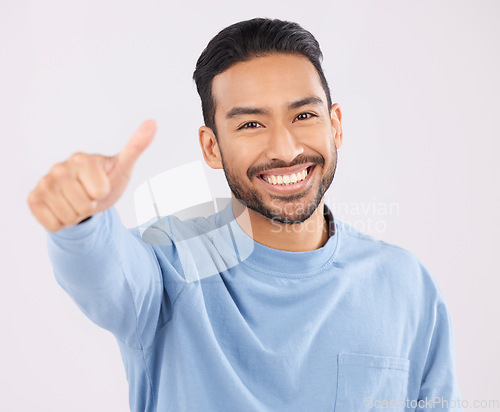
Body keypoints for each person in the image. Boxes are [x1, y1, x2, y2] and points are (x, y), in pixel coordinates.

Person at [27, 17, 462, 412]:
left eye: (304, 115)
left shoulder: (407, 284)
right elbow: (104, 274)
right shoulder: (167, 265)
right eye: (251, 125)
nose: (286, 149)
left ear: (336, 126)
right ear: (211, 147)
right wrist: (80, 219)